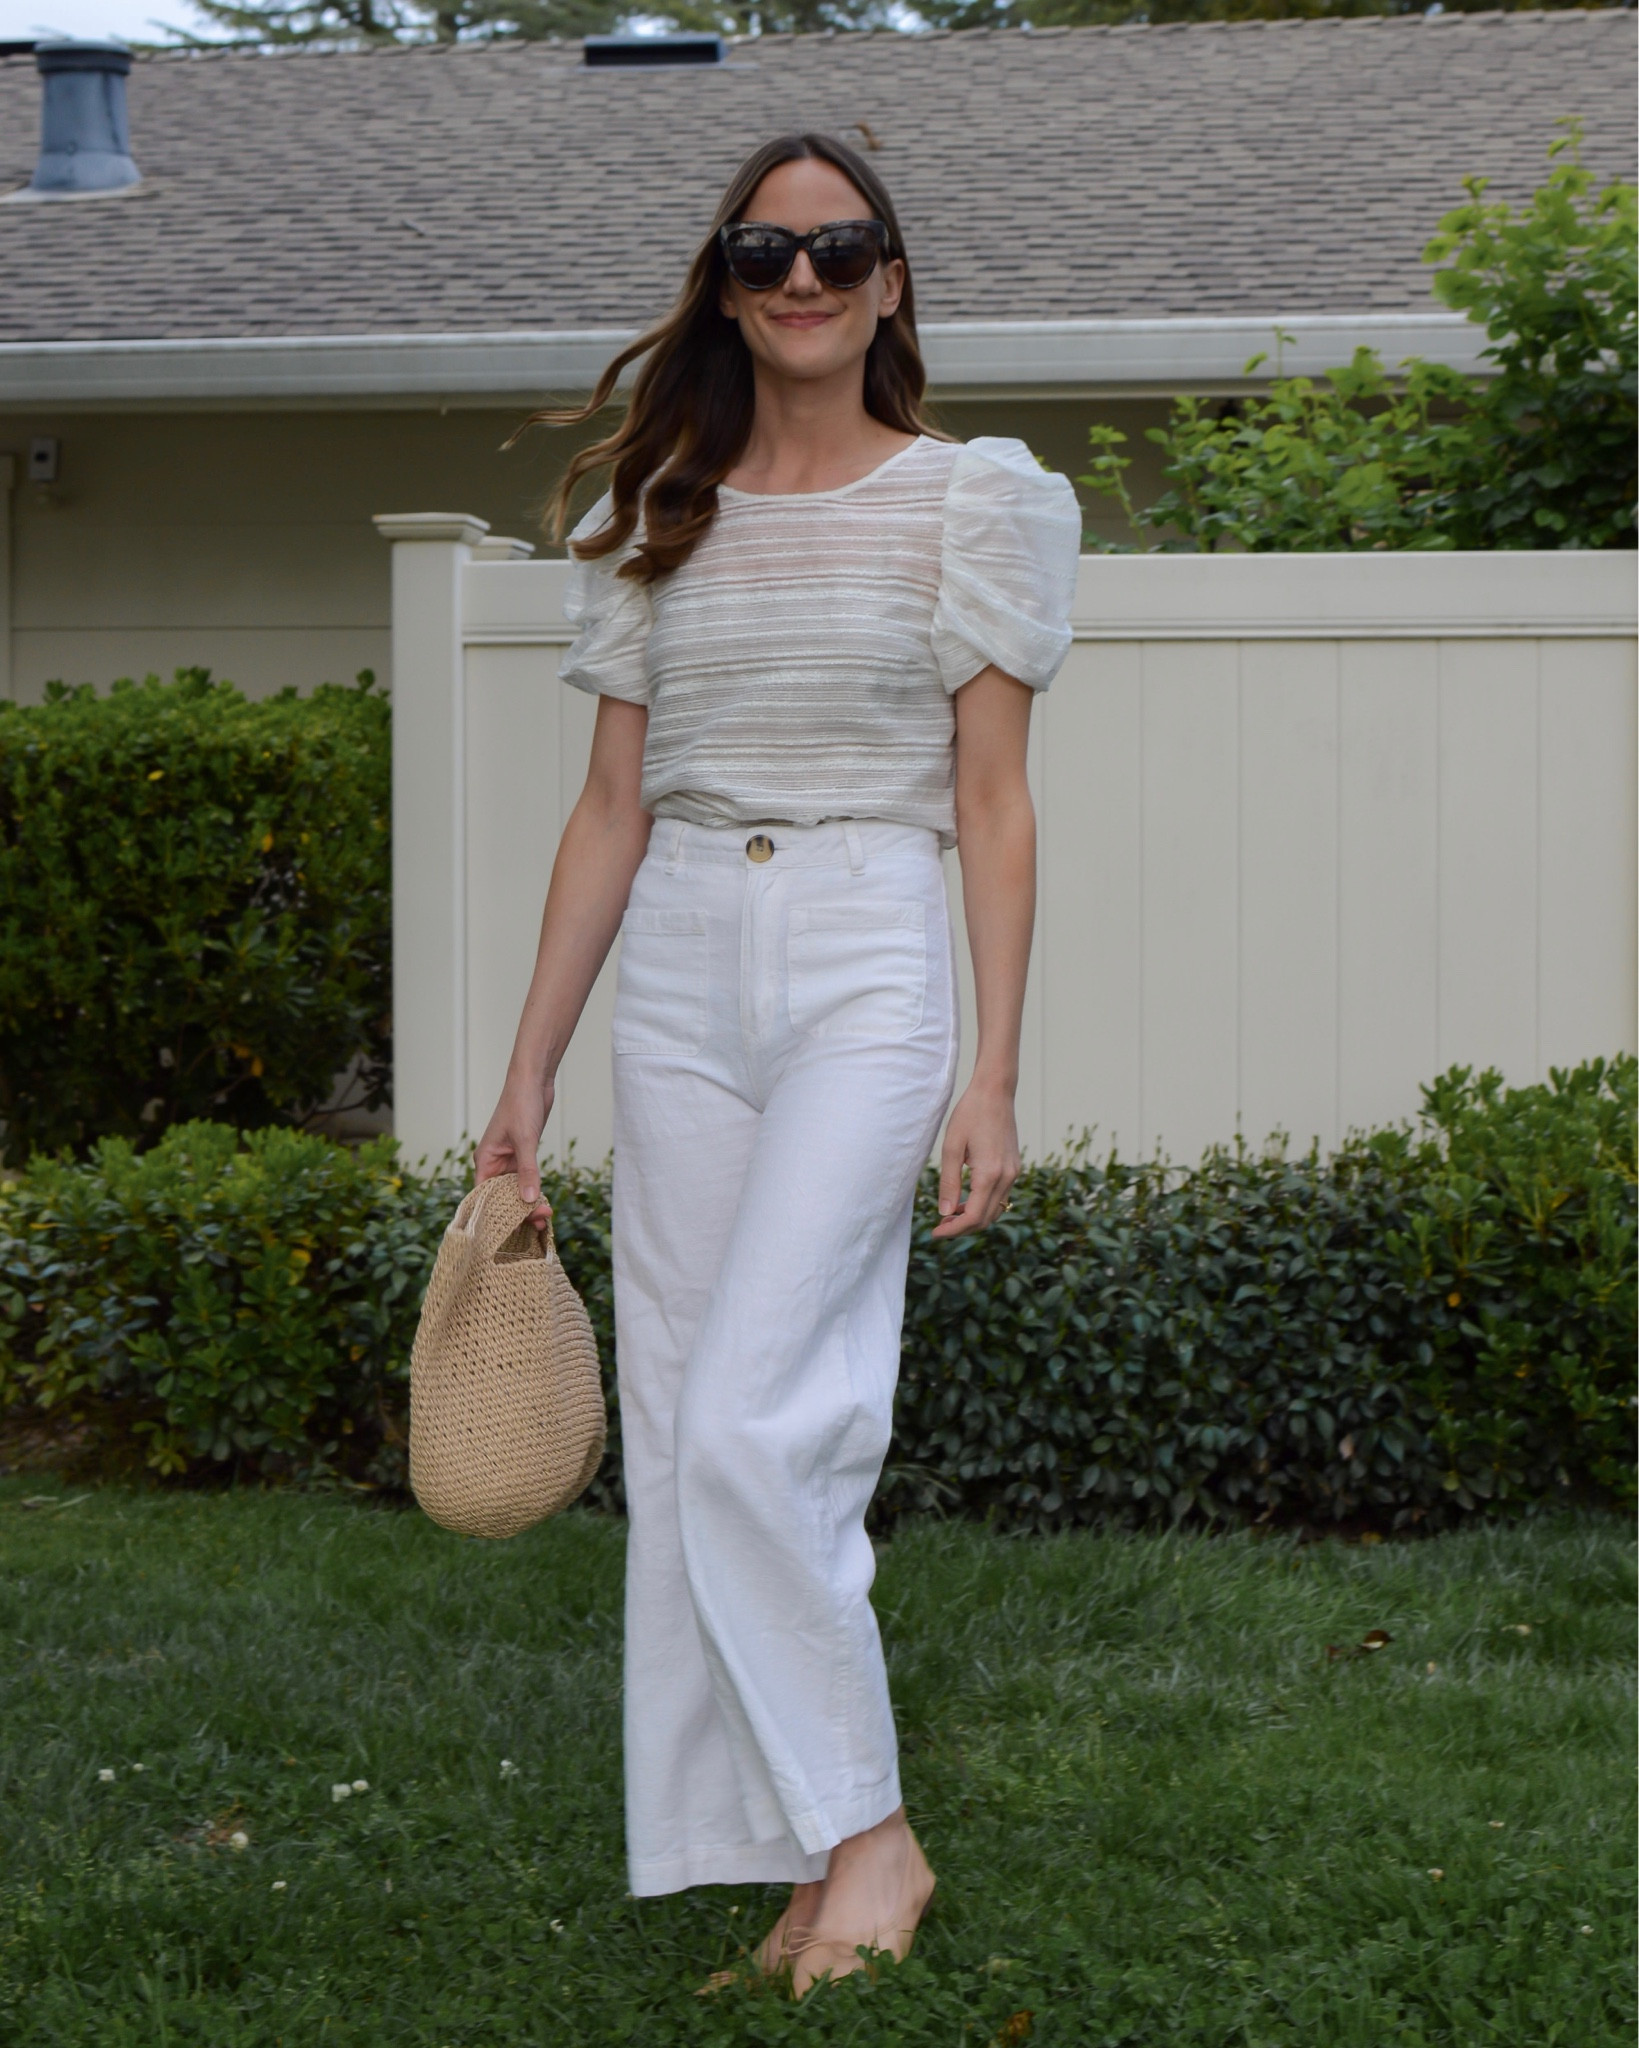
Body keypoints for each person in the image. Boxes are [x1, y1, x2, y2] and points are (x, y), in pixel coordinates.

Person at [474, 131, 1080, 1996]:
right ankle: (801, 1861)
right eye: (763, 251)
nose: (801, 279)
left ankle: (872, 1841)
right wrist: (526, 1074)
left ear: (890, 281)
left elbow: (996, 804)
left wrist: (992, 1073)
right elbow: (606, 814)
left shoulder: (971, 501)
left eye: (838, 249)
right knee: (689, 1426)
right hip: (674, 965)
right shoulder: (659, 509)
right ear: (727, 286)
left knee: (760, 1414)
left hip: (863, 946)